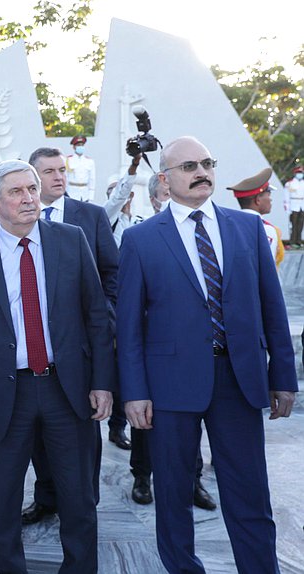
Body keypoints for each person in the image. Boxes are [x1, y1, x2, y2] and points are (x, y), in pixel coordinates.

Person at [118, 136, 298, 573]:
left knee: (249, 493)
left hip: (239, 381)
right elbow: (128, 326)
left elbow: (271, 308)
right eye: (188, 166)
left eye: (207, 163)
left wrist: (283, 376)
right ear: (165, 178)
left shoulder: (248, 229)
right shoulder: (141, 240)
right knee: (174, 496)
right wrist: (135, 391)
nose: (201, 172)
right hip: (169, 387)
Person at [0, 159, 114, 573]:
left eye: (32, 189)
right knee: (2, 499)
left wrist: (102, 382)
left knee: (78, 496)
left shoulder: (71, 240)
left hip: (67, 390)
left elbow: (97, 315)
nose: (28, 198)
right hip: (6, 395)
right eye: (16, 192)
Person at [22, 147, 120, 526]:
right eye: (48, 171)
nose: (59, 177)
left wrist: (103, 317)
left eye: (61, 170)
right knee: (38, 435)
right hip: (33, 351)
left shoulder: (90, 216)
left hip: (79, 348)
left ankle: (84, 503)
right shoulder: (15, 221)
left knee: (81, 435)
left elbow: (112, 272)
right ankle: (46, 497)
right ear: (32, 179)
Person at [126, 173, 216, 512]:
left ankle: (194, 480)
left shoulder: (204, 231)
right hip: (154, 351)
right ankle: (141, 475)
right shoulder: (141, 237)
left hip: (194, 352)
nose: (171, 197)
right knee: (146, 423)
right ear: (154, 199)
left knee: (188, 426)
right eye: (164, 194)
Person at [229, 167, 284, 267]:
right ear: (258, 200)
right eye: (268, 195)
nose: (270, 200)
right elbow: (267, 268)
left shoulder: (230, 225)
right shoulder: (266, 229)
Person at [64, 135, 96, 202]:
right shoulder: (68, 160)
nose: (80, 147)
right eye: (78, 145)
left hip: (85, 194)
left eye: (82, 145)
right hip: (72, 193)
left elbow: (92, 179)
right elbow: (65, 177)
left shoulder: (89, 161)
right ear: (74, 147)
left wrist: (91, 197)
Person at [284, 165, 304, 245]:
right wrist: (287, 208)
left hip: (302, 206)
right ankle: (292, 241)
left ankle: (299, 241)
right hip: (293, 206)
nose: (300, 174)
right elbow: (286, 196)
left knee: (301, 224)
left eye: (301, 172)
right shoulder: (289, 184)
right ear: (295, 173)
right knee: (293, 225)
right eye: (298, 172)